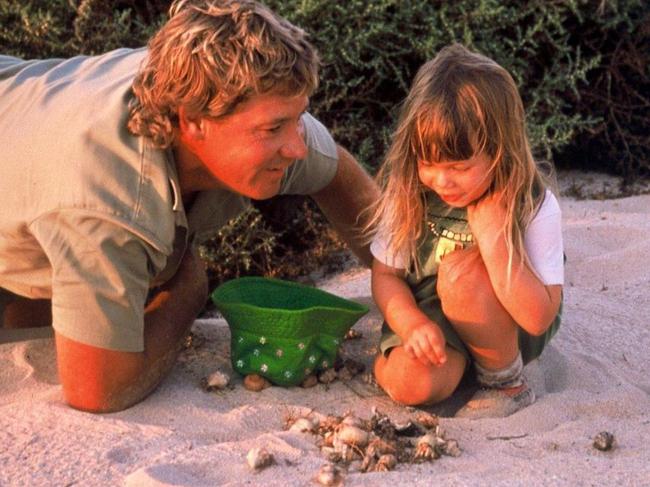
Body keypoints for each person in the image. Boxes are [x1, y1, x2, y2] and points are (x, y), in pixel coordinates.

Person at [0, 0, 379, 413]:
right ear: (193, 120)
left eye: (297, 118)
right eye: (273, 128)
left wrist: (410, 287)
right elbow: (97, 390)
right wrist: (186, 291)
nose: (297, 146)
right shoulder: (108, 202)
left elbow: (337, 174)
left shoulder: (224, 92)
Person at [368, 44, 564, 418]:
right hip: (434, 313)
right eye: (427, 162)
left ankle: (505, 381)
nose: (441, 180)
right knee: (413, 385)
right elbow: (386, 275)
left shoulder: (533, 204)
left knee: (463, 277)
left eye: (459, 166)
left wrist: (494, 241)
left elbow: (539, 317)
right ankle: (435, 367)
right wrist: (412, 326)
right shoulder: (410, 193)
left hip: (511, 320)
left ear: (499, 151)